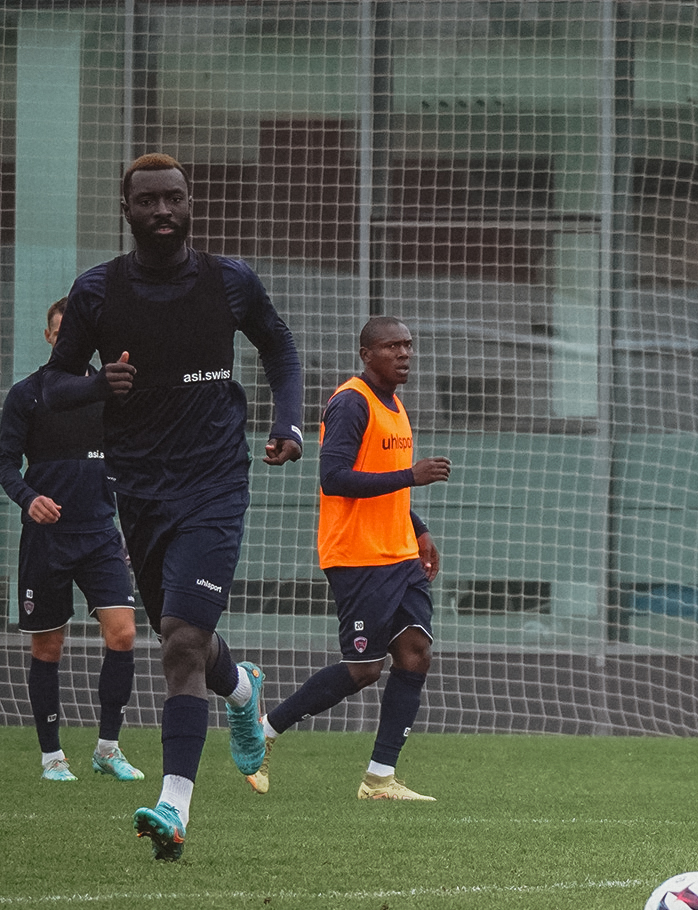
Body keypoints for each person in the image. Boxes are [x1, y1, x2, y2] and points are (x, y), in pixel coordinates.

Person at [41, 153, 304, 860]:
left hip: (216, 481)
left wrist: (288, 422)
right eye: (149, 201)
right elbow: (54, 387)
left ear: (192, 205)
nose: (164, 211)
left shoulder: (230, 281)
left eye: (175, 200)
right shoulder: (97, 294)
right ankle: (242, 690)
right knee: (179, 639)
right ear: (125, 209)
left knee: (182, 642)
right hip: (140, 489)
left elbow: (280, 349)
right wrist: (101, 385)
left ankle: (174, 807)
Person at [246, 317, 449, 801]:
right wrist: (411, 478)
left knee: (416, 653)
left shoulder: (394, 404)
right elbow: (333, 478)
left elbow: (380, 476)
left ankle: (379, 778)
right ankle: (265, 730)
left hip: (397, 552)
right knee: (363, 670)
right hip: (359, 557)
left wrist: (418, 528)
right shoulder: (351, 402)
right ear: (366, 354)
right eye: (392, 346)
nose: (404, 353)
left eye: (408, 344)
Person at [0, 298, 143, 782]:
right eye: (59, 333)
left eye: (74, 335)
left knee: (123, 634)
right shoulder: (28, 394)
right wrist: (28, 497)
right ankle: (52, 758)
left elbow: (133, 458)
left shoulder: (110, 393)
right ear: (48, 337)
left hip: (101, 535)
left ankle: (107, 748)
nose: (66, 341)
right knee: (48, 648)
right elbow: (4, 464)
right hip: (47, 540)